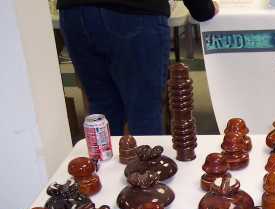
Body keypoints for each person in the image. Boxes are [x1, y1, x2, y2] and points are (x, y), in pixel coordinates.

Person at [57, 0, 217, 136]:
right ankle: (147, 163)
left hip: (74, 13)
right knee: (144, 111)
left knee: (102, 109)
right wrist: (203, 9)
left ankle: (106, 164)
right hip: (134, 12)